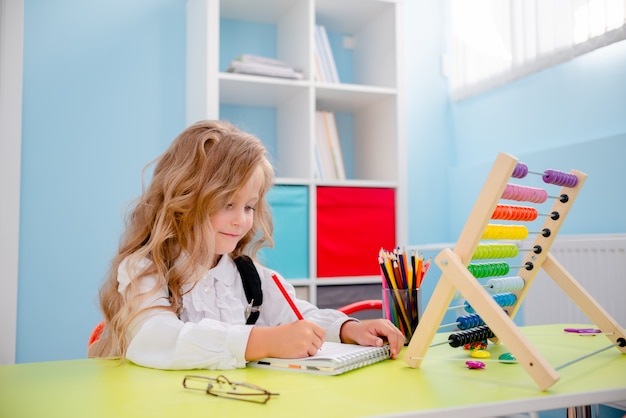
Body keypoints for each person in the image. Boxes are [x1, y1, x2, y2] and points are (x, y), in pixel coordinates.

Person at [88, 120, 404, 370]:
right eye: (227, 203)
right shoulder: (146, 269)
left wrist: (348, 329)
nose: (241, 221)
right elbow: (155, 338)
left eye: (249, 206)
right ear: (183, 200)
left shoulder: (247, 276)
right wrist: (258, 341)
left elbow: (296, 315)